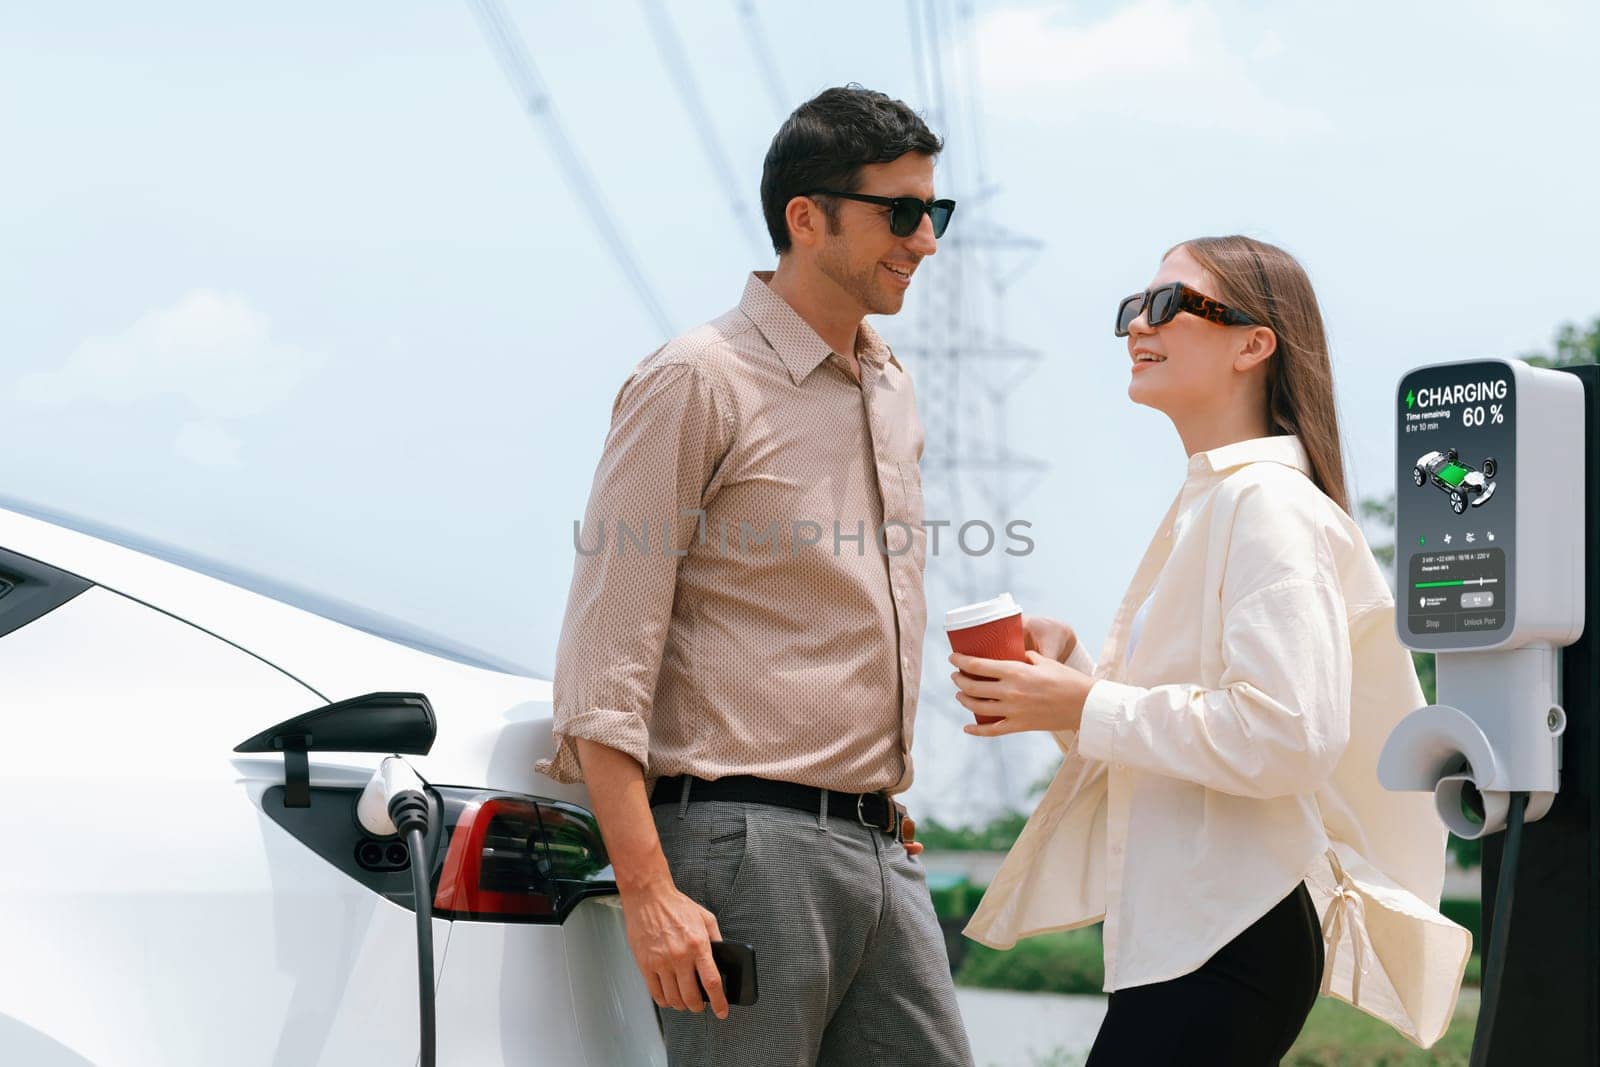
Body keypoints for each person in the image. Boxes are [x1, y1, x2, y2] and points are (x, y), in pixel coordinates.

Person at [953, 236, 1471, 1064]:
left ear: (1253, 343)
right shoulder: (1224, 500)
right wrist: (1074, 681)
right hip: (1202, 932)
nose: (1137, 326)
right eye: (1131, 309)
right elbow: (1196, 738)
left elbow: (1289, 734)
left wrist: (1083, 703)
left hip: (1229, 930)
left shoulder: (1265, 504)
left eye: (1166, 304)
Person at [537, 85, 973, 1067]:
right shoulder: (698, 379)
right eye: (902, 213)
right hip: (743, 848)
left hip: (878, 843)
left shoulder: (890, 386)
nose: (925, 241)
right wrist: (648, 890)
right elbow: (605, 656)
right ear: (806, 217)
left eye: (934, 212)